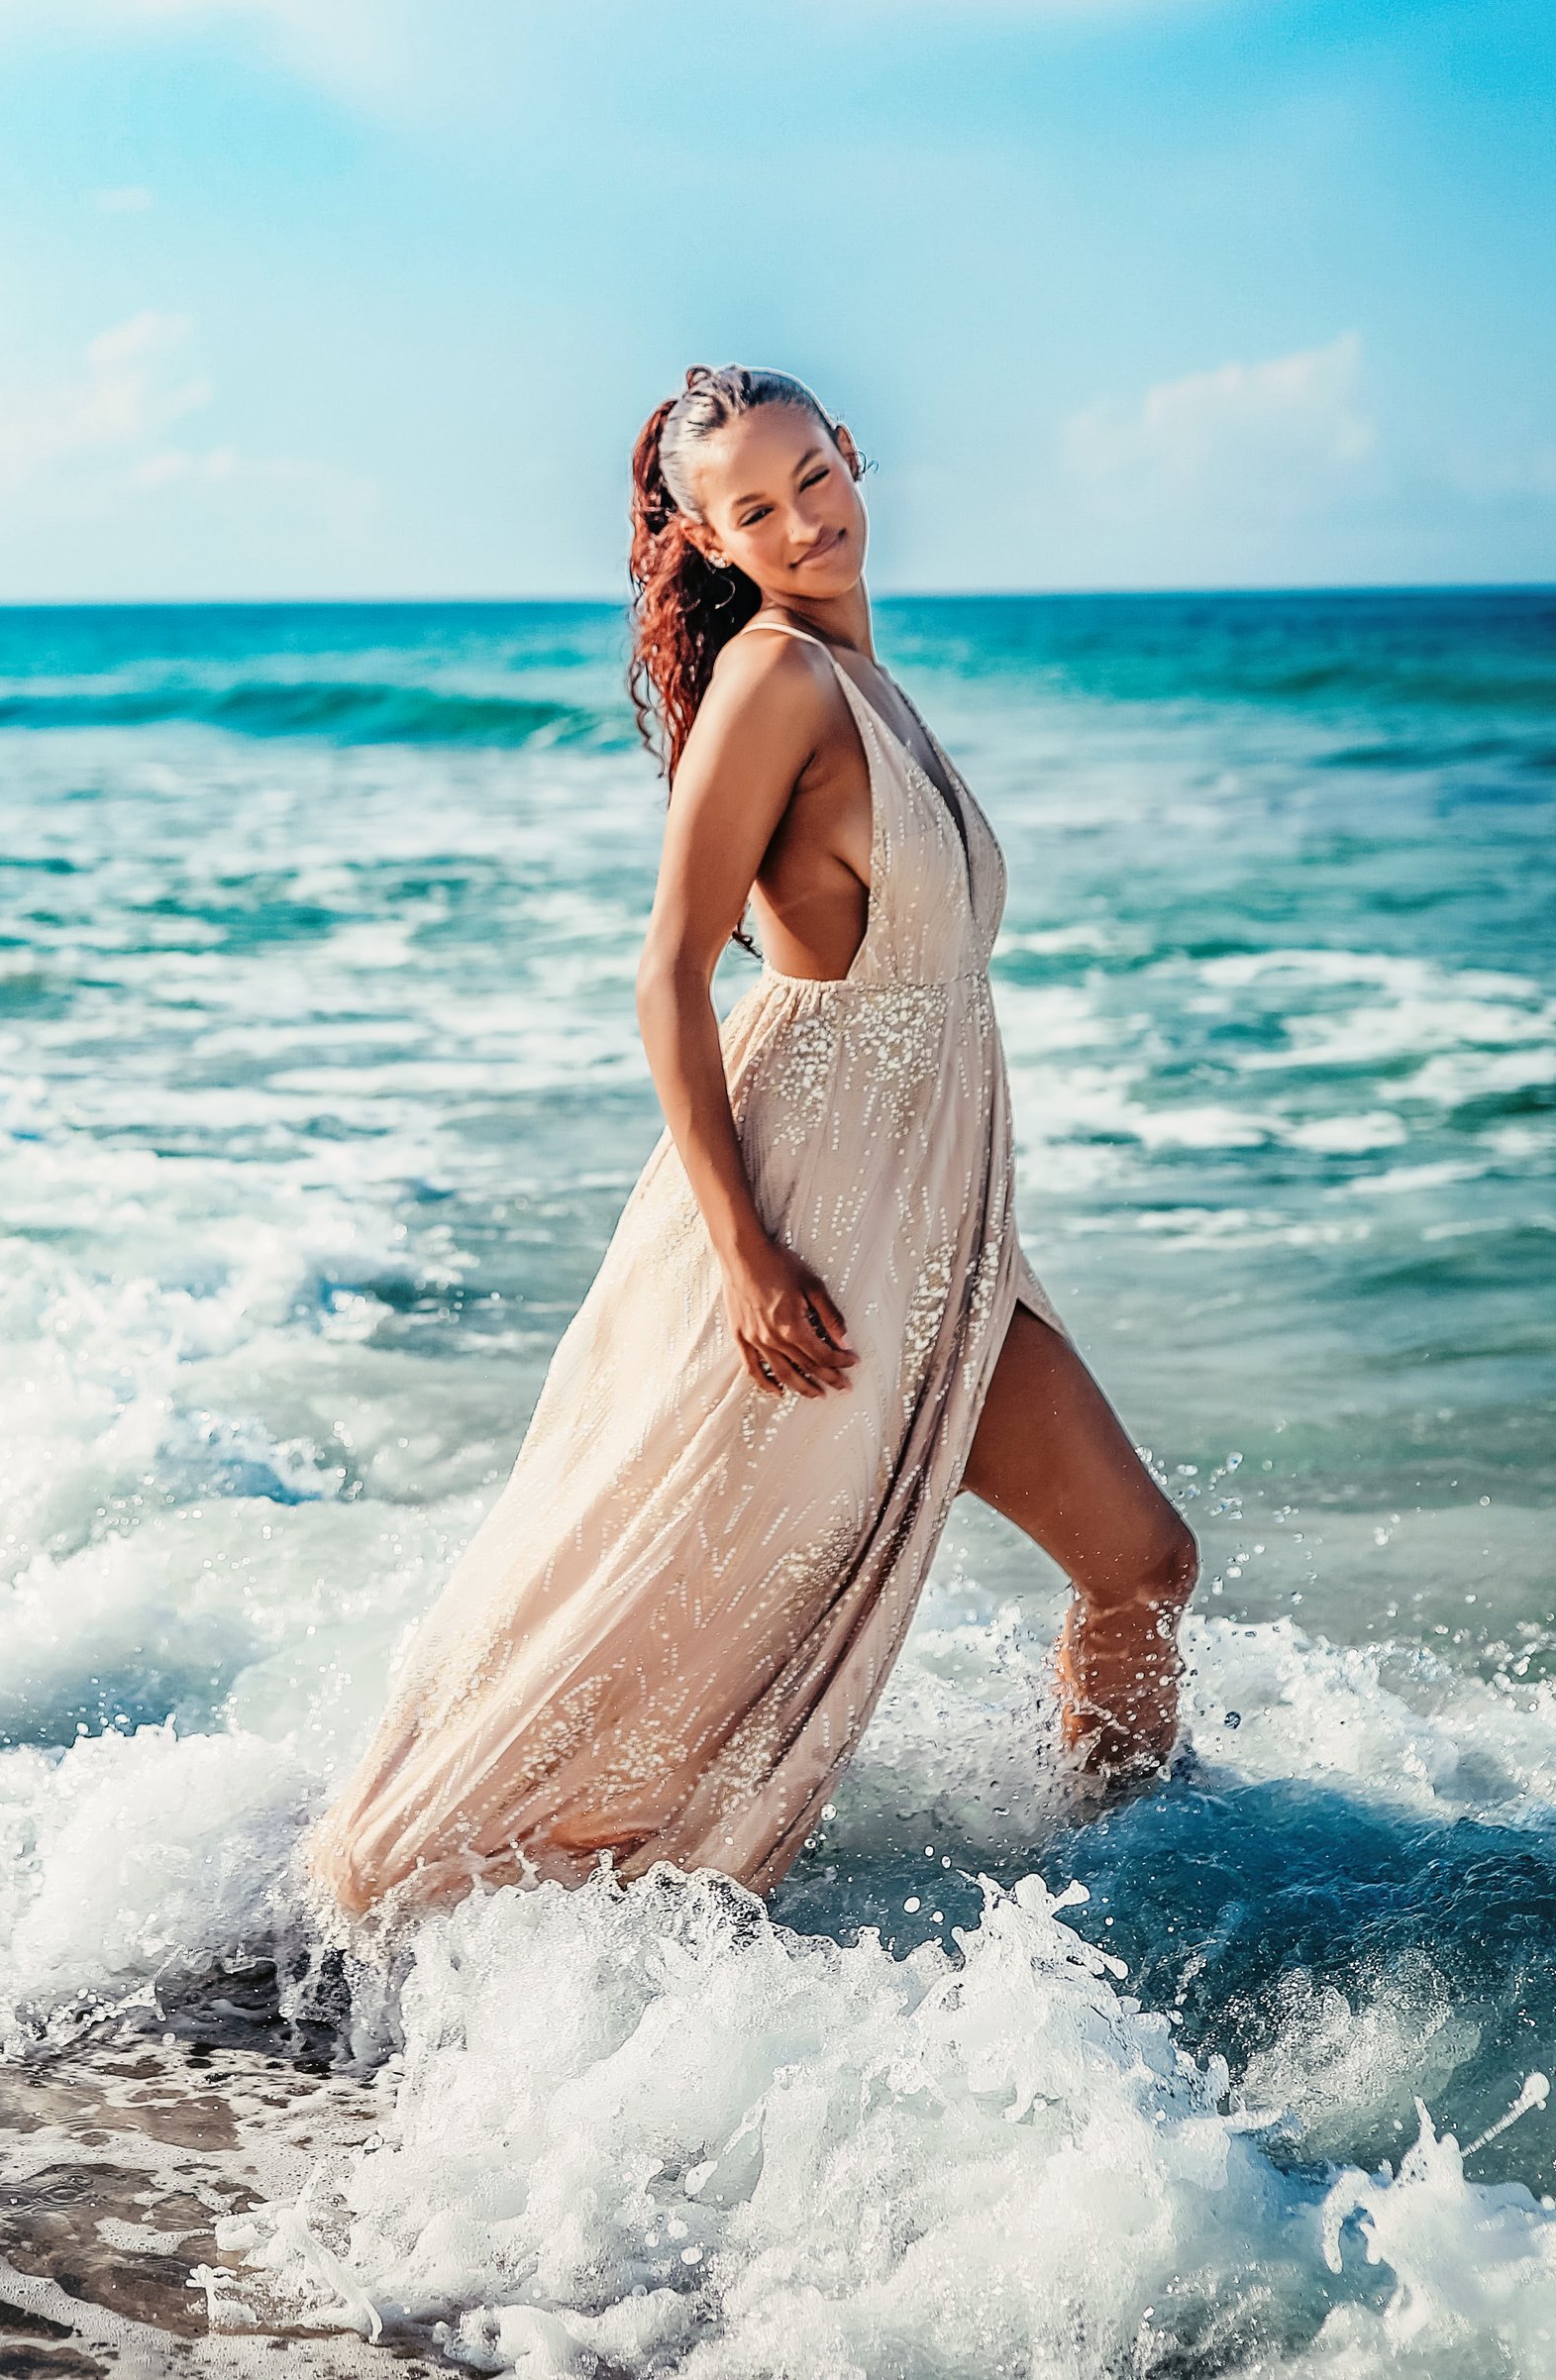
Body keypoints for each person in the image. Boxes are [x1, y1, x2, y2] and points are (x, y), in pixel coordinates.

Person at [310, 363, 1195, 1920]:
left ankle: (1132, 1887)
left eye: (815, 476)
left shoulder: (868, 685)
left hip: (942, 1227)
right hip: (816, 1227)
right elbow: (667, 968)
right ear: (710, 540)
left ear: (856, 454)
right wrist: (742, 1250)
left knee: (1140, 1565)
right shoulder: (775, 681)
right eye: (757, 509)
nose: (805, 520)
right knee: (677, 1619)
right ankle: (415, 1914)